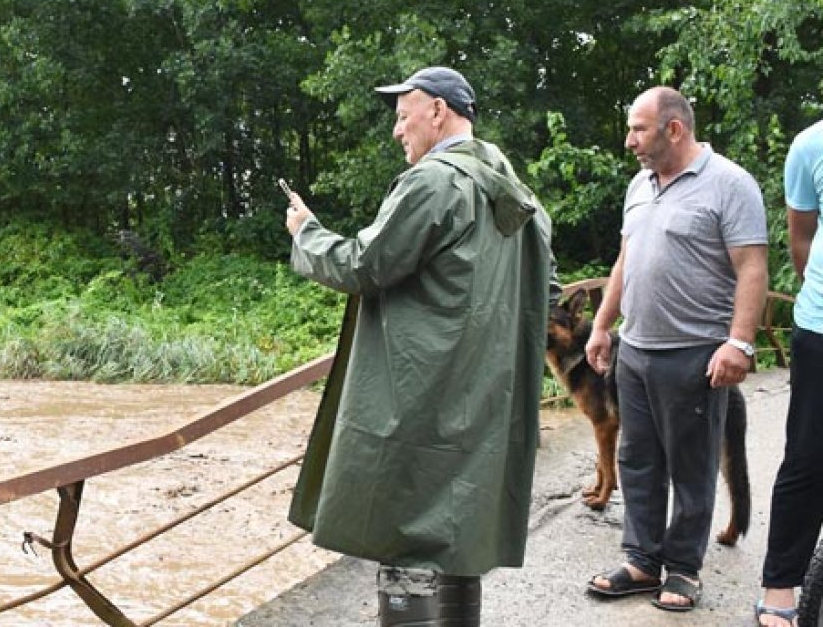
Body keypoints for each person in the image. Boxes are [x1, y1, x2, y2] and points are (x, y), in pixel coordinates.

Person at [282, 66, 554, 626]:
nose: (396, 131)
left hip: (421, 402)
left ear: (438, 111)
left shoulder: (435, 182)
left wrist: (307, 231)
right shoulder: (517, 192)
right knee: (456, 540)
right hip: (481, 405)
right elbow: (545, 289)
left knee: (408, 539)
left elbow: (364, 264)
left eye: (403, 117)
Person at [585, 87, 768, 612]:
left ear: (674, 128)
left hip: (695, 353)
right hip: (636, 350)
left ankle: (683, 570)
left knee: (691, 465)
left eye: (638, 129)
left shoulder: (729, 184)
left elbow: (751, 267)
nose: (629, 141)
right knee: (638, 459)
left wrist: (739, 342)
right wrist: (602, 326)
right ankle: (641, 559)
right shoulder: (639, 185)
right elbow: (625, 260)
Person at [755, 118, 823, 627]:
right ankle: (780, 586)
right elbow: (802, 240)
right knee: (807, 456)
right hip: (821, 324)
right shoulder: (810, 143)